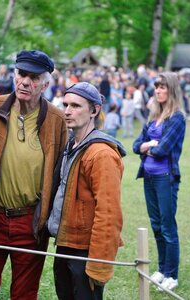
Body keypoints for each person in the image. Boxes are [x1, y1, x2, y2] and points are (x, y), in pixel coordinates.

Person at [0, 50, 67, 300]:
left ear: (46, 84)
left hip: (30, 222)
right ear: (14, 74)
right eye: (21, 74)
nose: (25, 81)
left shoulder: (56, 119)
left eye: (34, 77)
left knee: (24, 294)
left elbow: (61, 171)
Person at [47, 82, 125, 299]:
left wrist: (99, 264)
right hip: (65, 243)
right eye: (65, 105)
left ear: (94, 110)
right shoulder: (70, 144)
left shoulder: (101, 154)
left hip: (85, 250)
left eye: (76, 106)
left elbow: (109, 214)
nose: (68, 111)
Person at [132, 72, 186, 291]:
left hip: (165, 178)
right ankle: (162, 269)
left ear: (171, 90)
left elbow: (163, 149)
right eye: (156, 87)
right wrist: (148, 145)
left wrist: (150, 146)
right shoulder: (154, 117)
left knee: (167, 226)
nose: (158, 90)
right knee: (156, 225)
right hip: (149, 177)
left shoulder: (177, 118)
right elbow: (136, 146)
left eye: (162, 87)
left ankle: (172, 274)